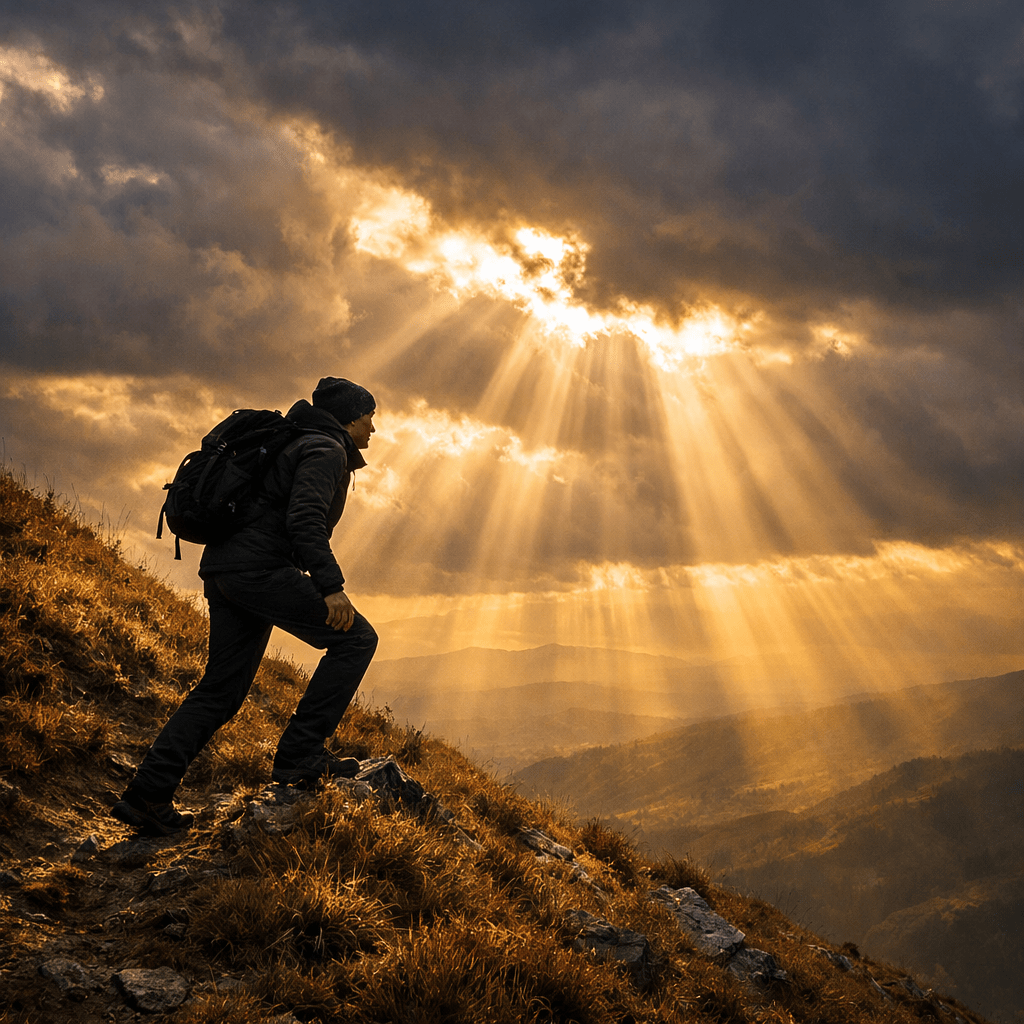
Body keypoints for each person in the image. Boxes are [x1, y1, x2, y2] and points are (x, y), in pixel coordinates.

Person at [112, 377, 380, 836]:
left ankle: (147, 796)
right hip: (261, 572)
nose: (374, 429)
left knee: (219, 692)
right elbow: (305, 520)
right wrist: (331, 587)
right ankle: (301, 754)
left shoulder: (292, 440)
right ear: (350, 418)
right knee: (356, 639)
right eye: (370, 417)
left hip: (224, 571)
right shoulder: (325, 450)